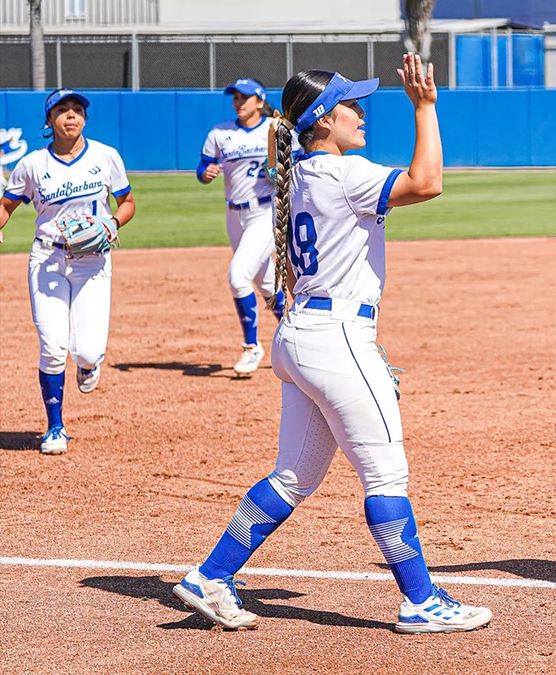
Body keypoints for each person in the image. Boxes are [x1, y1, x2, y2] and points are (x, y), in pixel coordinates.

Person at [172, 55, 492, 634]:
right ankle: (420, 601)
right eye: (352, 104)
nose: (362, 112)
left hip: (303, 336)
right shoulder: (344, 174)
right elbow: (429, 183)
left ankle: (210, 576)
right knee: (386, 475)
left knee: (292, 478)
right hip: (337, 336)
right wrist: (425, 107)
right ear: (323, 119)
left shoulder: (297, 176)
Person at [0, 89, 136, 455]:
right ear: (49, 121)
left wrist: (113, 225)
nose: (71, 116)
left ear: (85, 119)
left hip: (93, 260)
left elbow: (127, 203)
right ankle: (55, 427)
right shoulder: (32, 165)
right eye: (63, 110)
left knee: (88, 352)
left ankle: (89, 365)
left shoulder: (106, 156)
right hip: (48, 260)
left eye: (78, 110)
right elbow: (7, 206)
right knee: (52, 346)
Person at [197, 78, 286, 376]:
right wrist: (205, 173)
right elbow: (203, 166)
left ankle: (252, 347)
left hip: (265, 212)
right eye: (235, 97)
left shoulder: (274, 129)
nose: (239, 102)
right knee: (265, 283)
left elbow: (294, 162)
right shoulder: (220, 133)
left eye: (245, 97)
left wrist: (279, 169)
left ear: (260, 101)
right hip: (234, 215)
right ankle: (296, 334)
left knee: (238, 276)